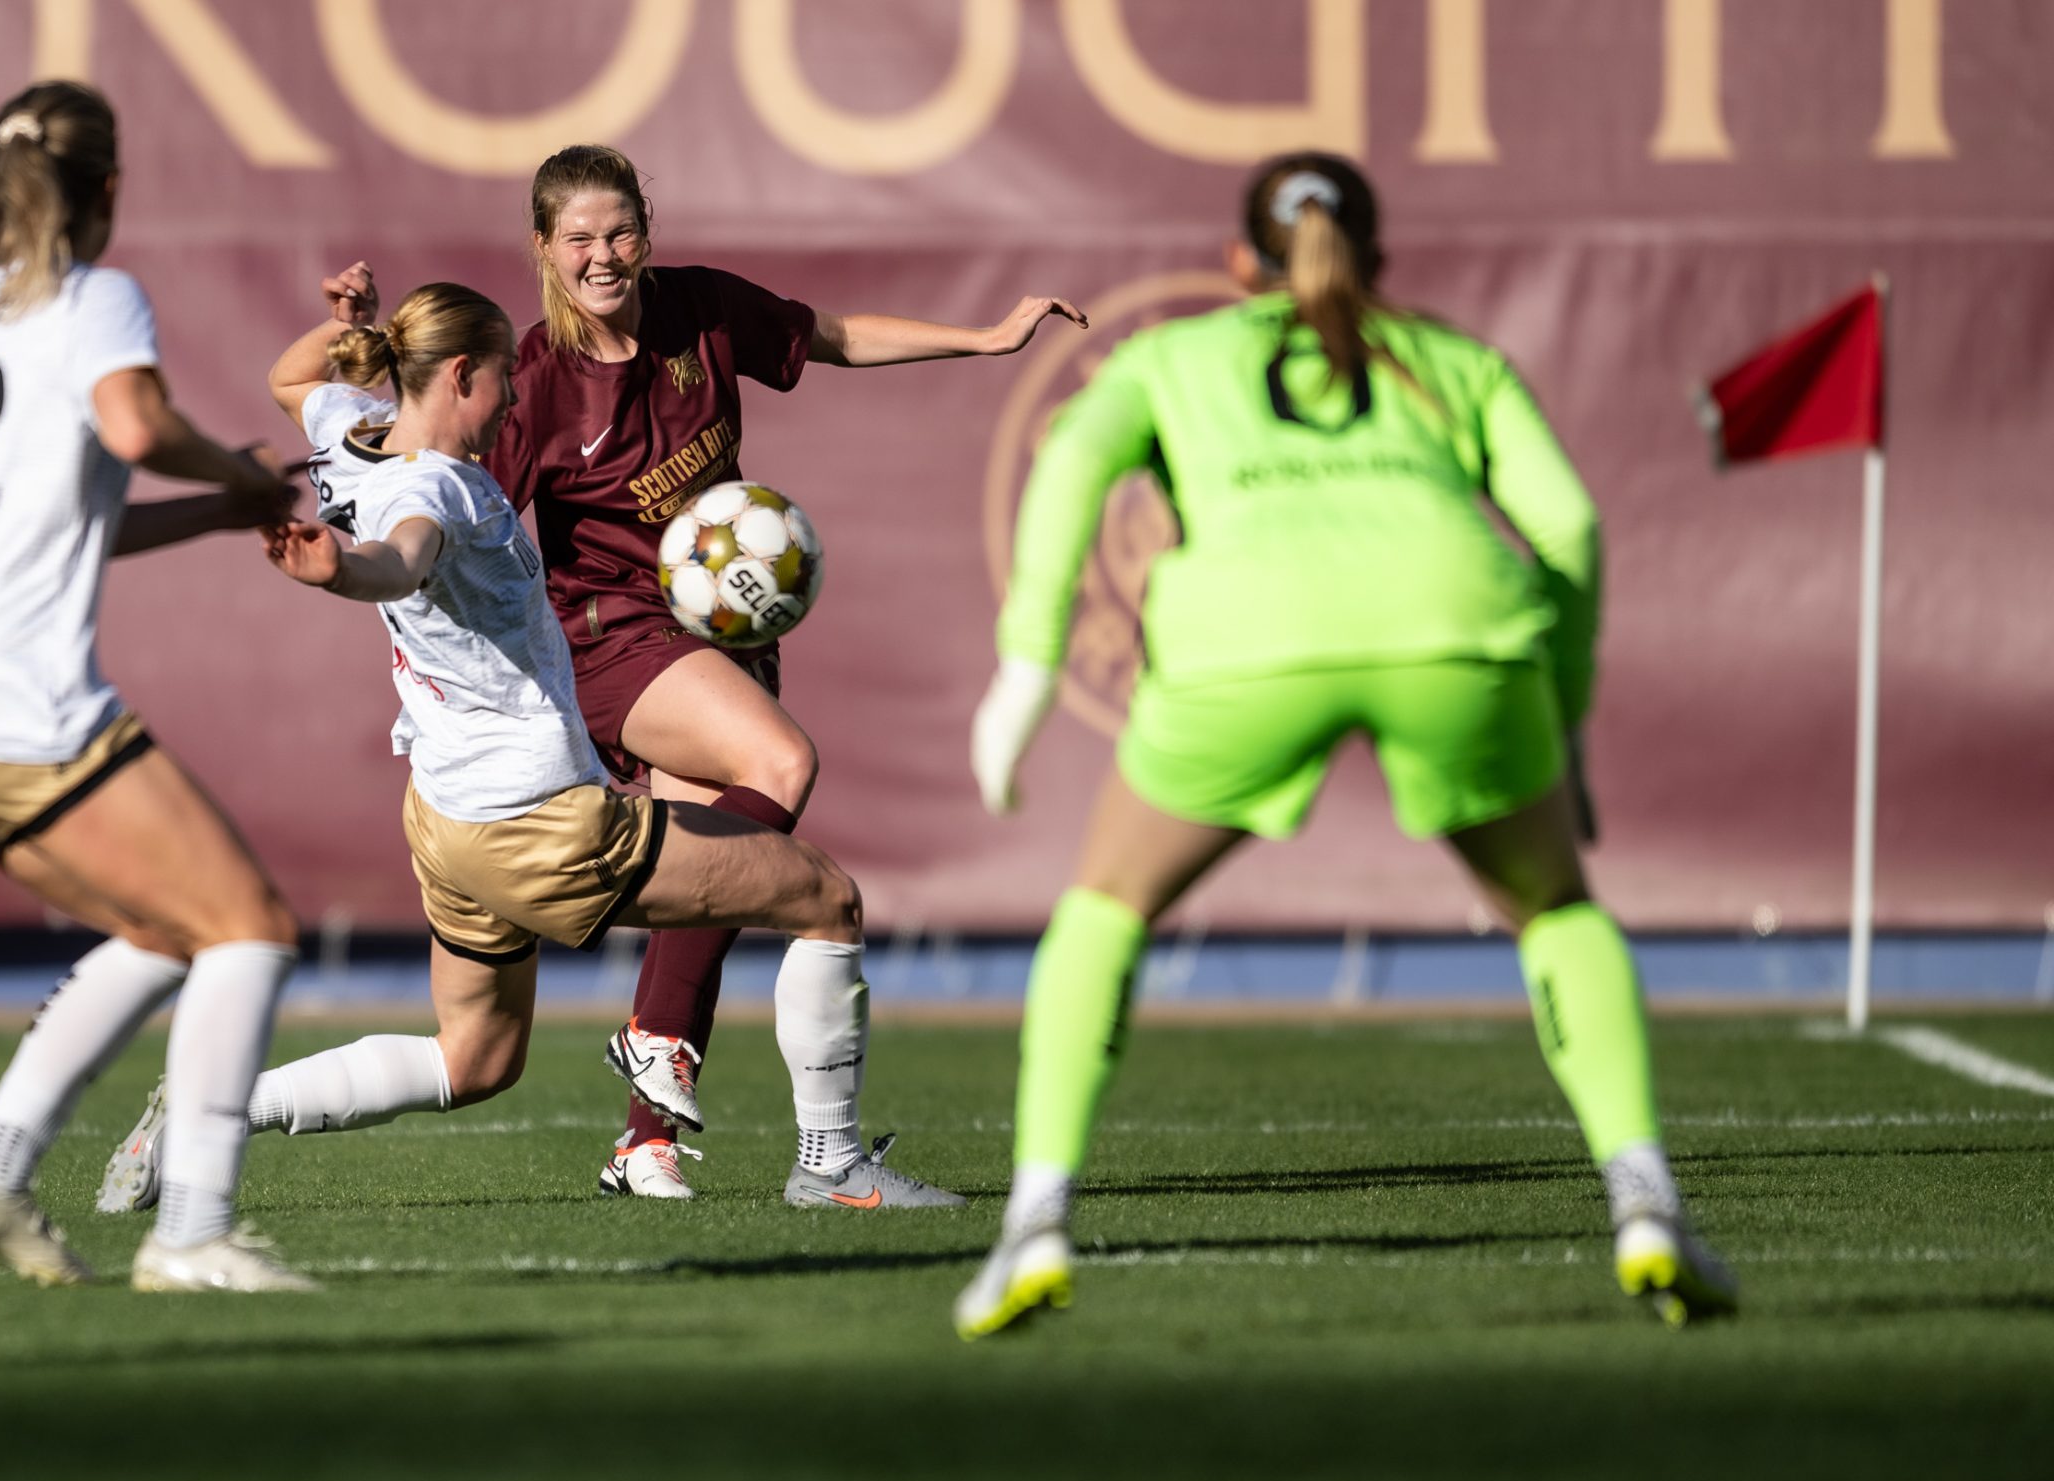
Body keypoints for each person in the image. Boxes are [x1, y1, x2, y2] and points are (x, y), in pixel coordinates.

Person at [954, 153, 1739, 1339]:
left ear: (1237, 265)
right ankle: (1644, 1203)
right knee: (1556, 911)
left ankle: (1034, 1220)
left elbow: (1069, 462)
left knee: (1106, 905)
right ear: (1377, 259)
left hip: (1244, 643)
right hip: (1457, 630)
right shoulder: (1452, 358)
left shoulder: (1170, 357)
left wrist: (1025, 668)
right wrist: (1561, 711)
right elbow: (1567, 523)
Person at [94, 283, 964, 1215]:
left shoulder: (349, 435)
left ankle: (205, 1107)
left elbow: (293, 375)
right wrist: (342, 570)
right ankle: (829, 1166)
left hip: (447, 819)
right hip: (542, 823)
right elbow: (404, 555)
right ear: (463, 374)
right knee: (826, 899)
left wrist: (348, 333)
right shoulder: (440, 486)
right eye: (506, 376)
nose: (516, 397)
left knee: (475, 1061)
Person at [488, 145, 1084, 1199]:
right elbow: (456, 503)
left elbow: (834, 336)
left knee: (711, 887)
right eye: (577, 238)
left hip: (720, 641)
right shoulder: (535, 380)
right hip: (615, 642)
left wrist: (985, 338)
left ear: (648, 231)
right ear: (541, 249)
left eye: (619, 231)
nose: (602, 255)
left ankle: (648, 1145)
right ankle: (655, 1025)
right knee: (781, 762)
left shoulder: (704, 312)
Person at [0, 81, 316, 1293]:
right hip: (20, 705)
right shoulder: (94, 299)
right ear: (111, 189)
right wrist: (231, 461)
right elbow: (132, 425)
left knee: (161, 928)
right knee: (251, 927)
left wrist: (220, 510)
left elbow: (84, 524)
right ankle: (190, 1231)